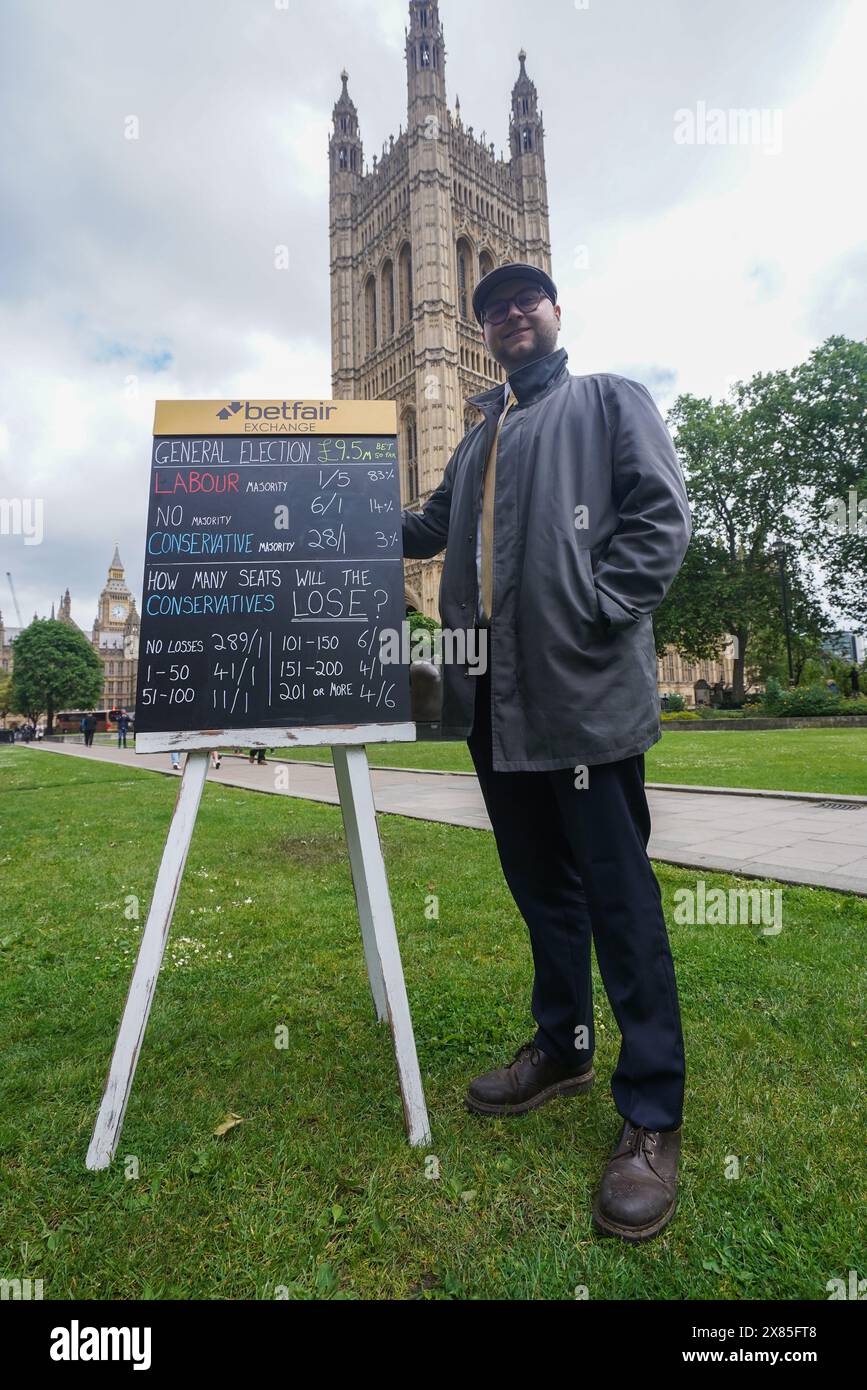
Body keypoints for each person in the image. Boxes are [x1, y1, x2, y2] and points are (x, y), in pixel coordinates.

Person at [401, 263, 692, 1244]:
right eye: (494, 306)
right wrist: (323, 511)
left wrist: (596, 610)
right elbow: (432, 529)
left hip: (581, 694)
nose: (510, 313)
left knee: (618, 895)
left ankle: (651, 1114)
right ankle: (564, 1046)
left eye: (527, 298)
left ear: (557, 313)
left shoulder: (609, 401)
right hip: (489, 698)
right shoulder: (477, 438)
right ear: (481, 330)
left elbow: (659, 517)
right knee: (541, 889)